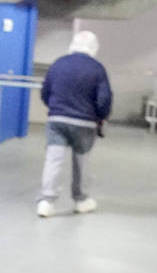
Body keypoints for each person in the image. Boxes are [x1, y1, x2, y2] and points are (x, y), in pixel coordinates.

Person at [36, 30, 112, 218]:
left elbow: (45, 92)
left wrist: (55, 108)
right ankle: (81, 200)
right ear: (94, 47)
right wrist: (100, 116)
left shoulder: (58, 64)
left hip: (57, 120)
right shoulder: (97, 68)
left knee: (53, 160)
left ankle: (46, 202)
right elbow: (104, 99)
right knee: (82, 162)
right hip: (85, 123)